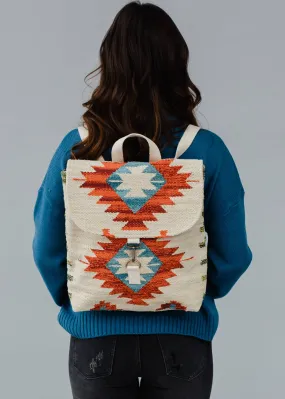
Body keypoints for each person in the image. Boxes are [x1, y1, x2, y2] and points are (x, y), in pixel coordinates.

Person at [32, 2, 252, 398]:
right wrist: (188, 288)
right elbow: (234, 255)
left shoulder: (76, 149)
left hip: (96, 340)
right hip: (180, 340)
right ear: (176, 63)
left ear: (109, 63)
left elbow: (46, 247)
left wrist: (85, 294)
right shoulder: (207, 151)